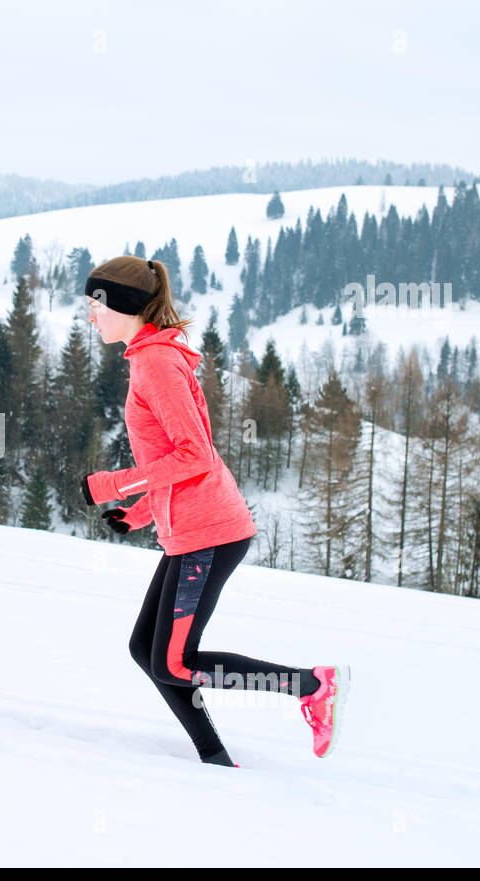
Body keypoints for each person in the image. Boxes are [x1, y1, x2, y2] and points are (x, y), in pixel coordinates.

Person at [79, 255, 349, 767]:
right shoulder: (148, 357)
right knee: (149, 652)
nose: (91, 317)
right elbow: (171, 460)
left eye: (95, 306)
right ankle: (215, 759)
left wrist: (110, 485)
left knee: (174, 662)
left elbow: (193, 455)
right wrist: (138, 513)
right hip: (191, 530)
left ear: (126, 306)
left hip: (210, 531)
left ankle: (313, 686)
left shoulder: (156, 362)